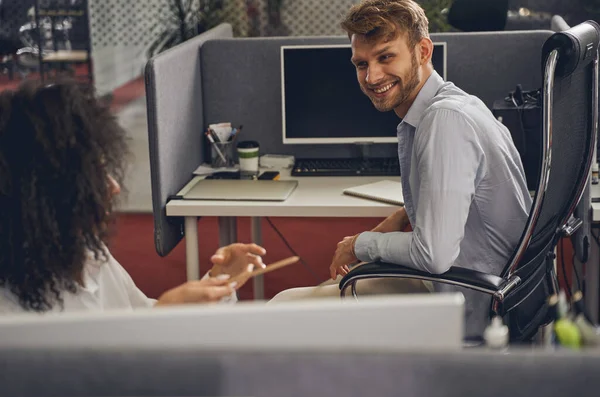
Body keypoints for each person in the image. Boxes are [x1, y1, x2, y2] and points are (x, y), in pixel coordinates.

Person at [271, 0, 532, 337]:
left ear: (423, 51)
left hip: (467, 304)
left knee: (280, 307)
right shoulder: (456, 104)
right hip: (478, 285)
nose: (371, 76)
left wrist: (357, 244)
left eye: (385, 57)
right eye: (361, 63)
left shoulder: (444, 122)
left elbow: (435, 255)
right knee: (324, 290)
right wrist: (402, 216)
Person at [0, 79, 266, 314]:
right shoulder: (12, 315)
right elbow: (103, 366)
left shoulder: (86, 254)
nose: (114, 187)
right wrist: (160, 318)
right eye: (94, 177)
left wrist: (217, 283)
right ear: (45, 197)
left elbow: (137, 316)